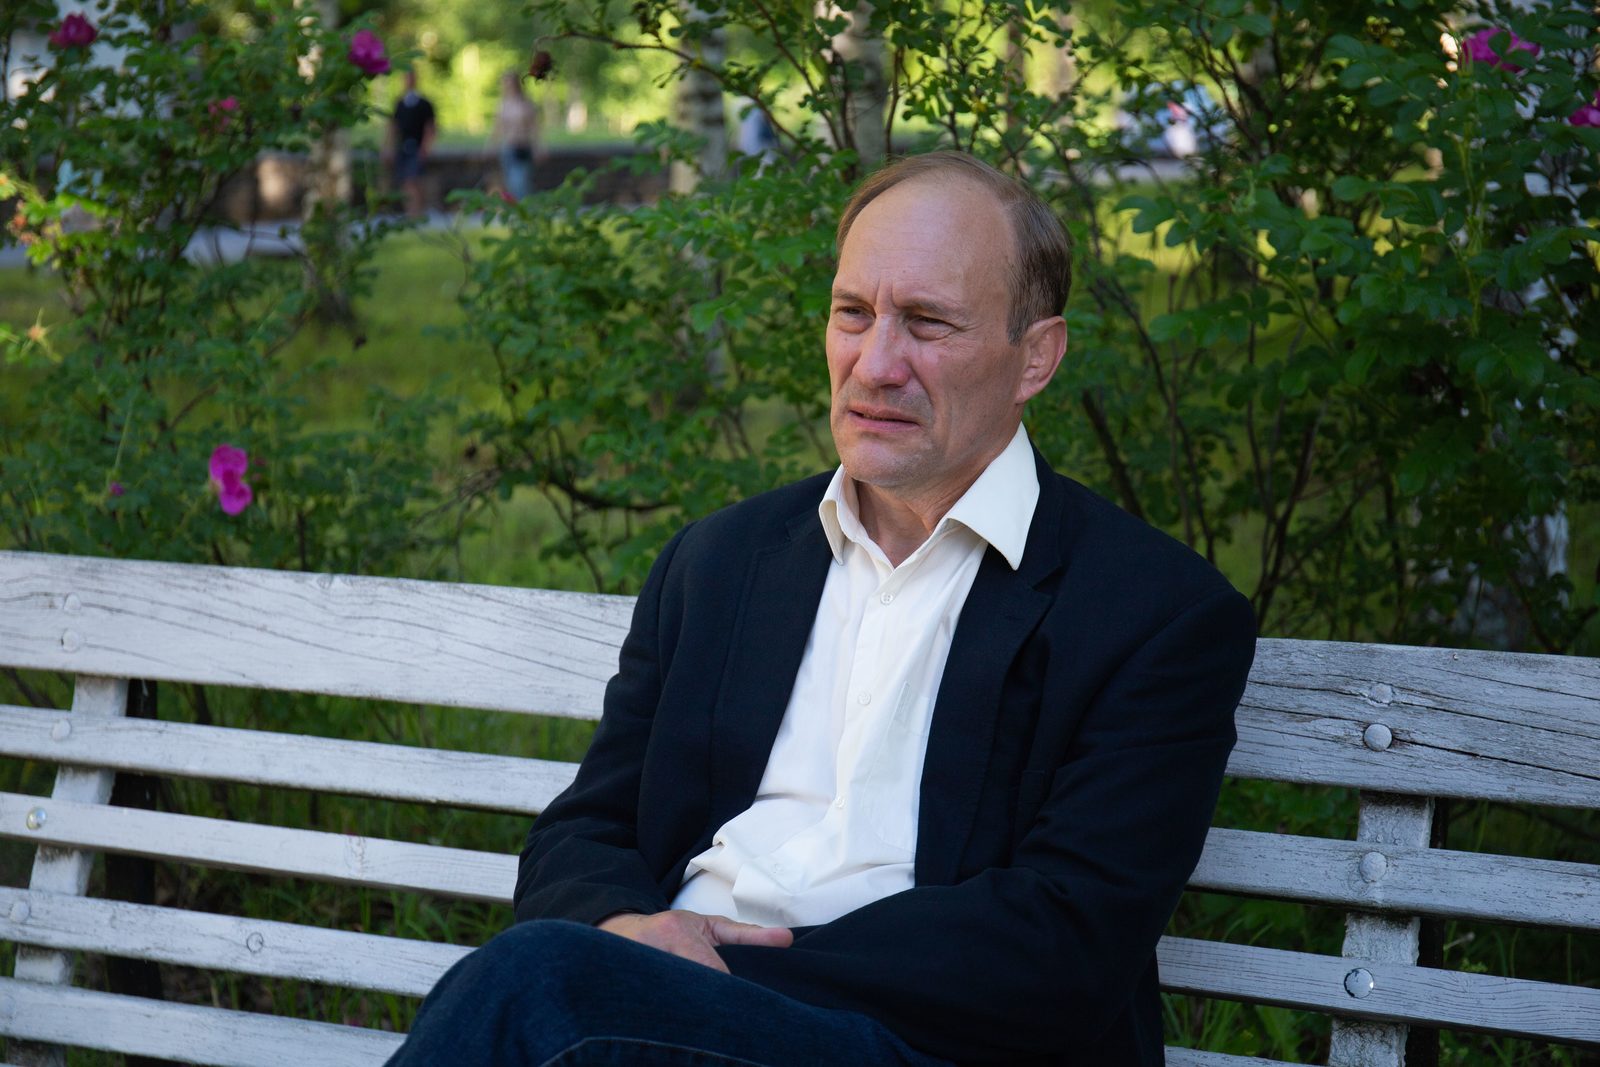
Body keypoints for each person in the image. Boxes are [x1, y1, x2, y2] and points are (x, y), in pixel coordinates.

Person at [385, 151, 1256, 1066]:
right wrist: (622, 930)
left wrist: (708, 975)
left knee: (540, 987)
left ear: (1035, 356)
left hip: (927, 1044)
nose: (876, 364)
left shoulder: (1152, 614)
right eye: (853, 314)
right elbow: (585, 828)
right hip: (649, 1017)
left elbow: (1064, 942)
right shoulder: (719, 564)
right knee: (550, 986)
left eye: (928, 322)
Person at [383, 69, 435, 218]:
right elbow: (393, 127)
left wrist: (425, 147)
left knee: (413, 180)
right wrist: (388, 147)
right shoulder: (400, 103)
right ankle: (411, 211)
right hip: (402, 146)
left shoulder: (424, 104)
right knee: (405, 180)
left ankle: (415, 212)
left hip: (416, 146)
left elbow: (430, 127)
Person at [490, 71, 539, 201]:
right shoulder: (502, 105)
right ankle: (517, 206)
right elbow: (497, 128)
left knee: (521, 182)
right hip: (509, 148)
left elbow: (534, 127)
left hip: (523, 146)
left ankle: (525, 205)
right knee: (511, 182)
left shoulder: (525, 104)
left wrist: (538, 147)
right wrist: (492, 146)